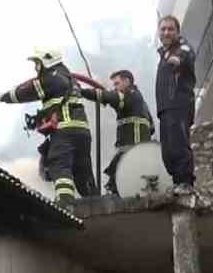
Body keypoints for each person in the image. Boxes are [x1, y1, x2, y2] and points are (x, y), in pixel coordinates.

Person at [0, 49, 97, 201]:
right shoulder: (71, 80)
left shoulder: (50, 78)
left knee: (59, 166)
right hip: (83, 133)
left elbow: (23, 93)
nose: (36, 67)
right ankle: (96, 202)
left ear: (47, 61)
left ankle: (66, 202)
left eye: (37, 63)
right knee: (83, 171)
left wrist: (0, 97)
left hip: (64, 131)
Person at [75, 69, 154, 195]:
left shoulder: (131, 95)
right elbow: (152, 127)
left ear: (127, 81)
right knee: (119, 181)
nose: (115, 88)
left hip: (132, 151)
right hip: (133, 151)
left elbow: (109, 96)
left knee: (121, 181)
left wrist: (82, 91)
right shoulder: (140, 100)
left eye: (117, 84)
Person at [154, 15, 197, 195]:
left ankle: (185, 183)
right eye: (163, 29)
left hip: (179, 105)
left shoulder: (182, 47)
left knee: (179, 145)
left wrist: (176, 59)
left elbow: (185, 55)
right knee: (168, 151)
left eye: (170, 29)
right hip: (165, 108)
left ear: (177, 32)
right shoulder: (163, 54)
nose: (166, 32)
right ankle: (178, 182)